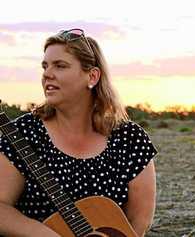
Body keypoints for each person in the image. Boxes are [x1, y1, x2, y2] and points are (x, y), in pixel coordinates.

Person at [0, 28, 158, 237]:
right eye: (45, 66)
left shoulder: (129, 139)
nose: (47, 73)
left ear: (92, 76)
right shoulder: (23, 133)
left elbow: (139, 222)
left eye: (60, 66)